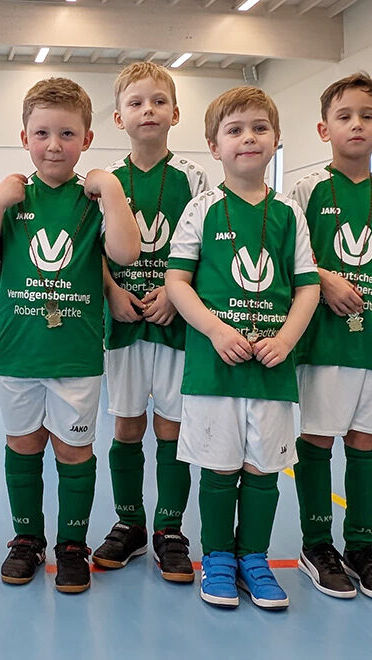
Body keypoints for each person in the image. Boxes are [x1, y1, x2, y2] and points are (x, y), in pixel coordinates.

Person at [0, 77, 138, 593]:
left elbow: (127, 254)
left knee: (73, 451)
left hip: (76, 353)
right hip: (19, 352)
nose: (54, 145)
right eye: (41, 133)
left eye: (67, 133)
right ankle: (26, 540)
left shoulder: (95, 199)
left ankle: (71, 544)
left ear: (86, 139)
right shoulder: (14, 196)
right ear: (25, 138)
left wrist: (111, 190)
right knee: (22, 444)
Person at [166, 86, 320, 610]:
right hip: (215, 369)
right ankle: (218, 557)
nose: (247, 138)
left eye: (259, 128)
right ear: (214, 145)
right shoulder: (200, 210)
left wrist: (285, 340)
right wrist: (215, 330)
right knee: (219, 466)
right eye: (234, 130)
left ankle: (254, 556)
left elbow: (308, 286)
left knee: (262, 470)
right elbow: (177, 283)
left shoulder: (288, 214)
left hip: (271, 370)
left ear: (276, 140)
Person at [93, 62, 210, 583]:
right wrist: (113, 290)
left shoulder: (195, 178)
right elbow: (87, 249)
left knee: (172, 425)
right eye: (136, 103)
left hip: (176, 323)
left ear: (175, 113)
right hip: (122, 324)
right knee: (126, 423)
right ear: (118, 116)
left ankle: (169, 527)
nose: (148, 110)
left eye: (159, 101)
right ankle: (129, 523)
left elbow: (208, 250)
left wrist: (175, 294)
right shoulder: (103, 183)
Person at [288, 71, 372, 599]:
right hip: (324, 339)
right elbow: (284, 253)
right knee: (318, 437)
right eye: (345, 116)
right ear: (324, 129)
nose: (357, 125)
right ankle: (317, 542)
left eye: (367, 116)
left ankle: (363, 542)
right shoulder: (306, 189)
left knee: (366, 441)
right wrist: (325, 278)